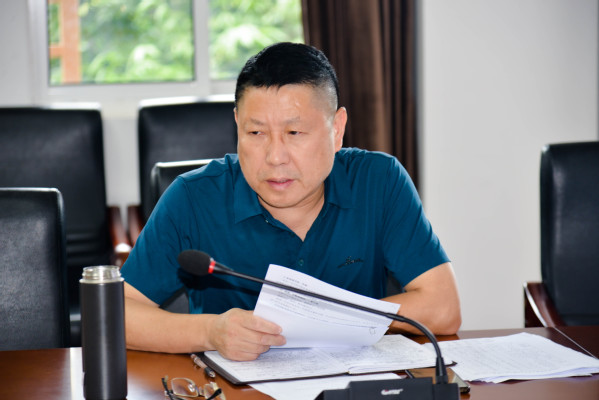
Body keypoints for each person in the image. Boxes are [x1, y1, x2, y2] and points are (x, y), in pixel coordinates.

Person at [121, 42, 461, 361]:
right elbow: (118, 314)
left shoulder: (378, 181)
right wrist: (211, 332)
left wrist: (329, 319)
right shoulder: (193, 198)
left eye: (294, 133)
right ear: (237, 124)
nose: (275, 157)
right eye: (256, 133)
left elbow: (443, 309)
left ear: (336, 129)